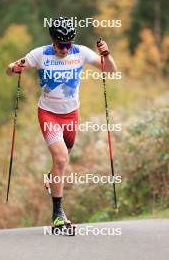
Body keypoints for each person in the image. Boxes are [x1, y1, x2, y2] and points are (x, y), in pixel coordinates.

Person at [6, 17, 117, 228]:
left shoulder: (81, 52)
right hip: (48, 113)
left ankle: (50, 178)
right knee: (61, 159)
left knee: (62, 160)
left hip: (71, 115)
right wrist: (14, 67)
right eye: (60, 45)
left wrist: (106, 54)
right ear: (52, 41)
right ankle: (58, 216)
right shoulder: (39, 54)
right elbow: (10, 69)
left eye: (68, 44)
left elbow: (110, 70)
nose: (65, 49)